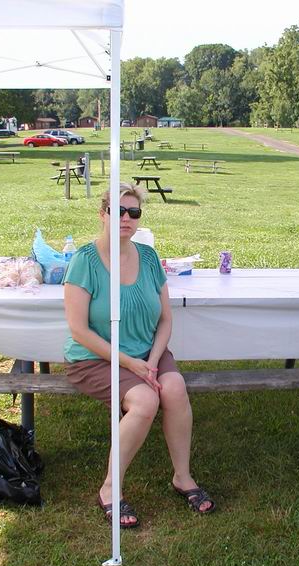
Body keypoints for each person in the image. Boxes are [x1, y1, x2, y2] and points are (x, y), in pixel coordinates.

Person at [63, 183, 215, 528]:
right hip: (96, 357)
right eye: (118, 211)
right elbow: (79, 331)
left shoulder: (148, 258)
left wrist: (154, 359)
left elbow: (166, 319)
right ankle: (109, 488)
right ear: (102, 214)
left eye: (133, 212)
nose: (126, 218)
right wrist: (131, 363)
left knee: (174, 389)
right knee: (145, 401)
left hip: (148, 351)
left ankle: (182, 476)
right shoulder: (84, 261)